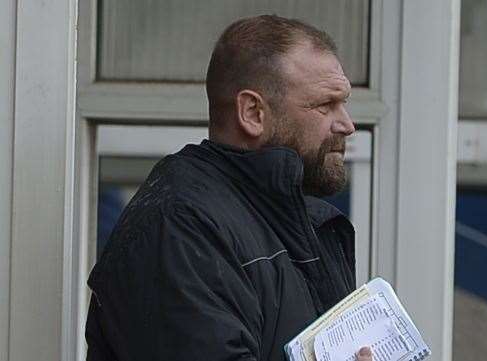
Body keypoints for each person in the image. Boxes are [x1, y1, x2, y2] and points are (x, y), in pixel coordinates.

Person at [85, 15, 372, 361]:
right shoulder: (180, 226)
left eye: (344, 103)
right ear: (252, 112)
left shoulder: (298, 222)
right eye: (325, 105)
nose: (347, 124)